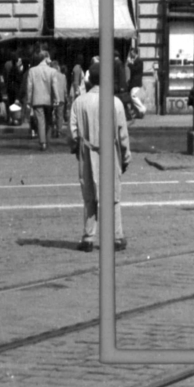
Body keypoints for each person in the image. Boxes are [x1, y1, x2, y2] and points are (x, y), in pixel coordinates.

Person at [69, 60, 131, 250]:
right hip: (110, 154)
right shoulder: (115, 102)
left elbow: (72, 133)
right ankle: (116, 237)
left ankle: (88, 238)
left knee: (89, 196)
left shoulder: (79, 102)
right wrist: (126, 157)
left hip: (87, 153)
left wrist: (76, 150)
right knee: (112, 196)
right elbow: (122, 135)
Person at [25, 47, 55, 150]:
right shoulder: (52, 71)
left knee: (40, 121)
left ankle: (43, 143)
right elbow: (54, 86)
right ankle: (47, 139)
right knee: (49, 120)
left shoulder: (32, 71)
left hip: (37, 99)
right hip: (49, 99)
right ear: (46, 58)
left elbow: (29, 87)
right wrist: (57, 99)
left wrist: (29, 100)